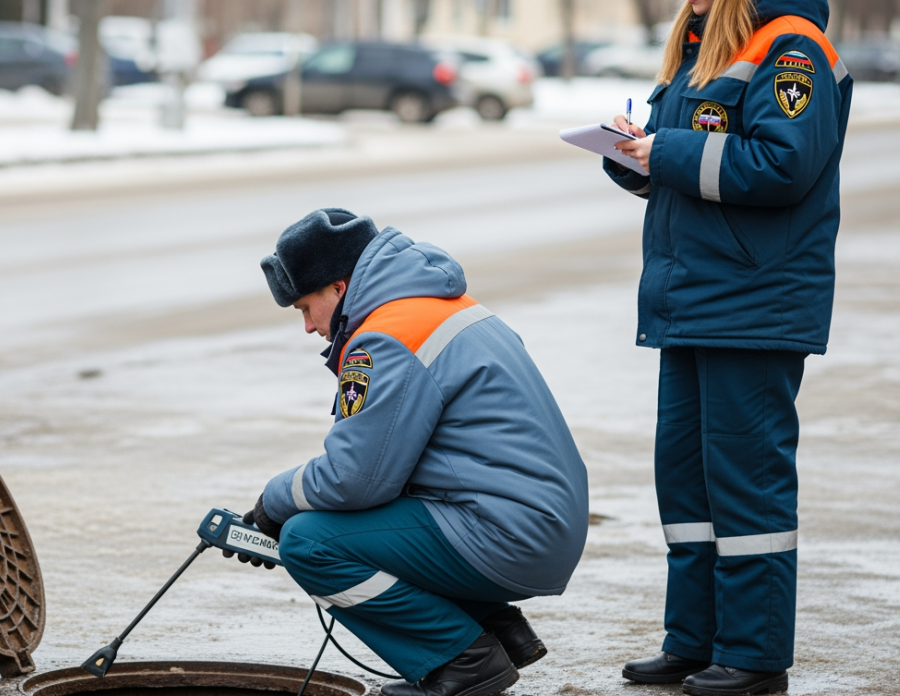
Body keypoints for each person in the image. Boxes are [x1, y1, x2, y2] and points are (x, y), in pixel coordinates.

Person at [236, 208, 589, 696]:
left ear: (338, 288)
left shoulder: (387, 335)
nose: (309, 327)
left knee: (309, 541)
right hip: (538, 521)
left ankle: (464, 661)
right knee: (370, 514)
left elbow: (353, 478)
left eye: (304, 308)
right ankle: (499, 629)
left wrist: (274, 502)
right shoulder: (436, 304)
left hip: (509, 535)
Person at [603, 0, 851, 694]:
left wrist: (671, 150)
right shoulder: (700, 39)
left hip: (753, 302)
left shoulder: (791, 45)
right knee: (686, 485)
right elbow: (691, 167)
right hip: (693, 301)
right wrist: (632, 155)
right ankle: (696, 641)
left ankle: (755, 656)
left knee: (747, 488)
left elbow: (783, 166)